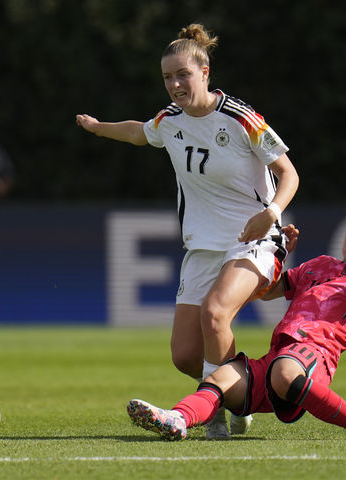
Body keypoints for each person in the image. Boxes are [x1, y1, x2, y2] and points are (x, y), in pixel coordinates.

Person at [76, 24, 299, 438]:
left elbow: (289, 173)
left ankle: (208, 411)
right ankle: (241, 394)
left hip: (253, 241)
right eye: (167, 77)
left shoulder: (240, 117)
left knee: (216, 314)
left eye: (183, 74)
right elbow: (139, 132)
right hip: (202, 248)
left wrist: (272, 213)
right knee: (184, 354)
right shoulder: (169, 120)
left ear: (205, 72)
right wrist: (98, 127)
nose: (175, 84)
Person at [126, 174, 346, 441]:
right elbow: (264, 292)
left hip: (313, 356)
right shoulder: (319, 265)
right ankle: (177, 418)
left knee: (285, 373)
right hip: (277, 355)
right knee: (219, 378)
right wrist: (280, 256)